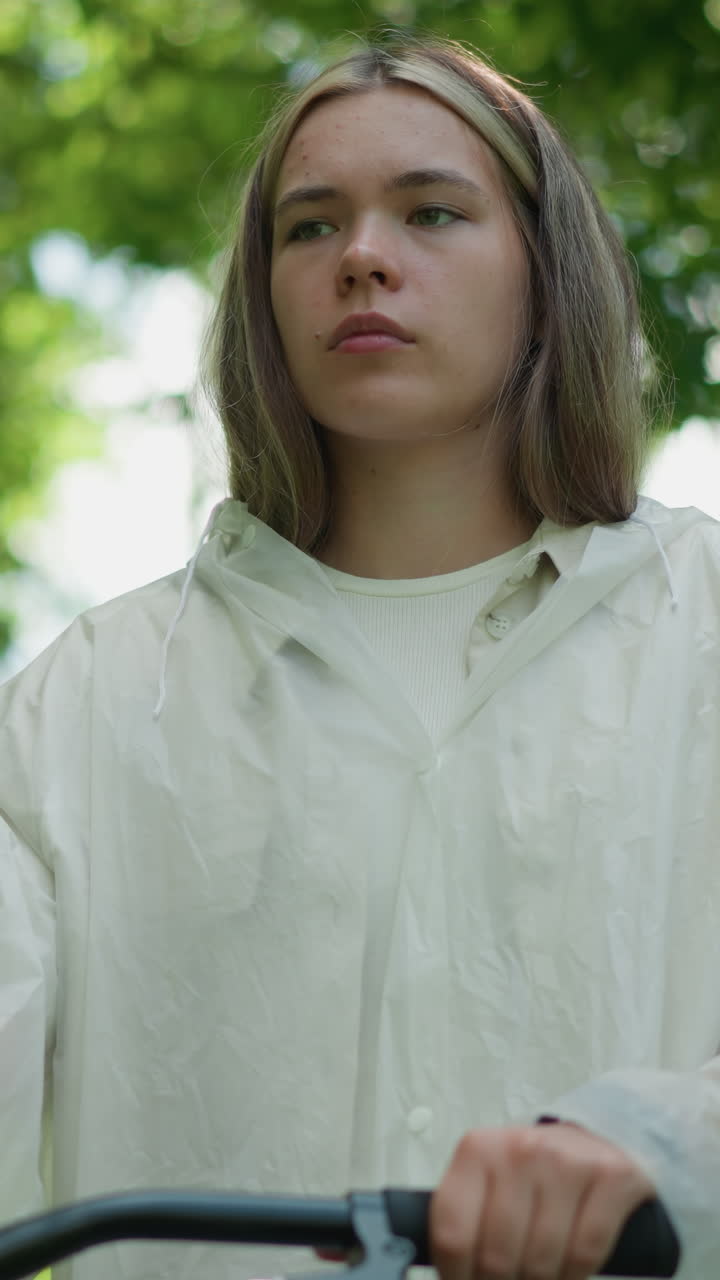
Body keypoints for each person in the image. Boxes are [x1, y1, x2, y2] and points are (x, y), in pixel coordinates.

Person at [1, 26, 719, 1280]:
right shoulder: (91, 700)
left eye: (432, 213)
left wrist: (671, 1148)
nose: (365, 259)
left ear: (547, 272)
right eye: (311, 226)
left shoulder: (705, 623)